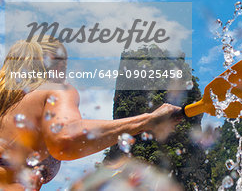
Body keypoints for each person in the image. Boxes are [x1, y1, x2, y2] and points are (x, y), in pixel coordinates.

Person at [0, 36, 182, 190]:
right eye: (63, 68)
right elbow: (66, 138)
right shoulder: (54, 91)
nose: (64, 75)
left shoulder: (6, 106)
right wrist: (148, 120)